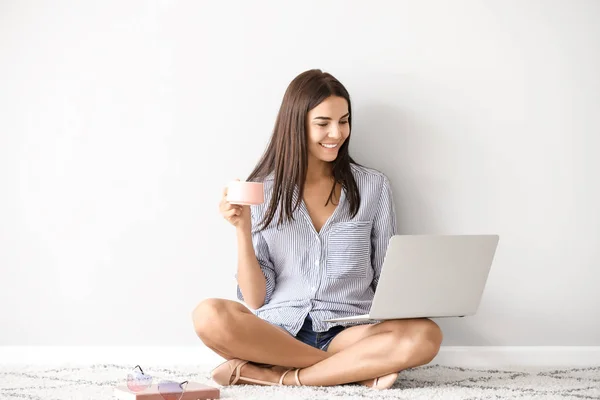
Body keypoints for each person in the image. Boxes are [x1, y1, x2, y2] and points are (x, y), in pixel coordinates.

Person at [192, 69, 443, 389]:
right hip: (279, 331)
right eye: (323, 123)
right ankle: (352, 371)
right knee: (208, 315)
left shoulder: (373, 187)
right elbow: (256, 298)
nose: (337, 133)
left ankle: (279, 376)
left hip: (349, 333)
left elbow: (386, 279)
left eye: (344, 121)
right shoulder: (262, 191)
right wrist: (242, 228)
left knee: (426, 334)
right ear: (296, 125)